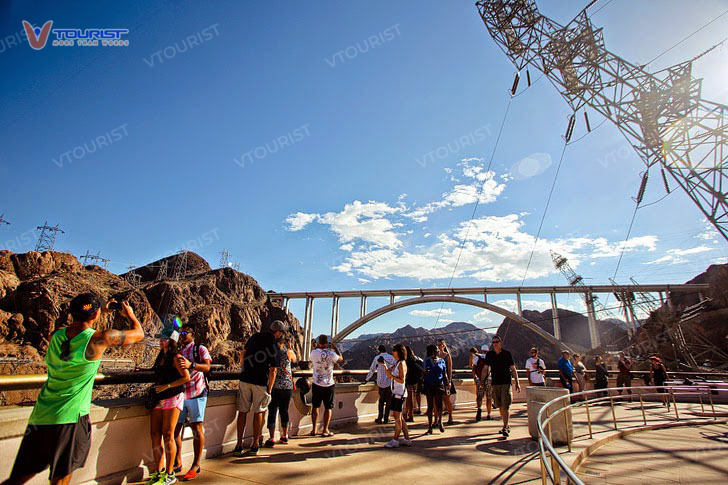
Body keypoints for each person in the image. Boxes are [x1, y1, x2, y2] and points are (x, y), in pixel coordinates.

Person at [4, 293, 144, 485]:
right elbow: (138, 333)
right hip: (70, 417)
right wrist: (129, 314)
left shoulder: (57, 336)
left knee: (18, 478)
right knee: (60, 480)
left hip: (42, 415)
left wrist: (98, 310)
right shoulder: (99, 339)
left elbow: (80, 324)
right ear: (95, 315)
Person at [146, 318, 190, 485]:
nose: (161, 342)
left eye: (164, 339)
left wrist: (167, 386)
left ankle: (170, 473)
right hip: (159, 397)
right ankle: (159, 470)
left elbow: (185, 377)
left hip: (173, 397)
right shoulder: (161, 357)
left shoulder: (176, 357)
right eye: (160, 339)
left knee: (168, 434)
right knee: (155, 433)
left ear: (171, 341)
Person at [234, 320, 285, 456]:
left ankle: (238, 444)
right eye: (282, 332)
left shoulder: (255, 336)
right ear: (278, 332)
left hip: (245, 379)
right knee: (259, 413)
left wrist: (243, 368)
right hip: (260, 382)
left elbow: (243, 353)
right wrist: (269, 389)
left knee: (242, 412)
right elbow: (273, 370)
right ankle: (255, 444)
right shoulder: (275, 346)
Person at [173, 323, 212, 481]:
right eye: (180, 332)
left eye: (185, 333)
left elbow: (207, 368)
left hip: (197, 393)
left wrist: (192, 365)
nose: (182, 335)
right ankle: (177, 461)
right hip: (180, 394)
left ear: (193, 335)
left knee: (197, 428)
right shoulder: (178, 351)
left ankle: (196, 465)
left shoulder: (200, 349)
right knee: (175, 430)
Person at [484, 335, 521, 438]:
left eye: (497, 342)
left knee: (505, 405)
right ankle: (506, 424)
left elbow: (513, 369)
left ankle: (505, 427)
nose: (495, 344)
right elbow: (485, 368)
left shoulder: (507, 354)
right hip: (495, 383)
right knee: (499, 405)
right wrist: (482, 382)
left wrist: (517, 382)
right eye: (493, 342)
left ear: (500, 343)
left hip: (506, 382)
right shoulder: (490, 355)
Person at [265, 334, 297, 447]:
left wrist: (269, 388)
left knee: (272, 411)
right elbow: (295, 359)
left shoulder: (272, 352)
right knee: (284, 411)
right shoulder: (288, 352)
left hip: (275, 386)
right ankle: (285, 436)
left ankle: (272, 437)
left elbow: (271, 369)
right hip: (287, 386)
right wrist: (291, 348)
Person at [309, 334, 343, 437]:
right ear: (327, 342)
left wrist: (316, 347)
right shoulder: (332, 354)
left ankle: (314, 430)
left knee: (315, 406)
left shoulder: (314, 352)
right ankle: (325, 430)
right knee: (328, 407)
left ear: (319, 342)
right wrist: (335, 347)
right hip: (329, 384)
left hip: (316, 383)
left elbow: (312, 357)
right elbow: (341, 359)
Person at [382, 344, 412, 448]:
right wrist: (385, 367)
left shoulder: (401, 364)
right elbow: (389, 374)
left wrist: (392, 376)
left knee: (397, 417)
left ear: (399, 352)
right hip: (396, 393)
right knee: (400, 417)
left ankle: (395, 440)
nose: (393, 352)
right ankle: (407, 439)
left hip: (400, 394)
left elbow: (402, 380)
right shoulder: (397, 363)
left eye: (394, 350)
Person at [365, 345, 396, 424]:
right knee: (389, 402)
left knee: (381, 401)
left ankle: (379, 418)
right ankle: (386, 418)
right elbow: (396, 368)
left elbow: (372, 369)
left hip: (380, 382)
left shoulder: (377, 358)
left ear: (379, 350)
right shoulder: (391, 358)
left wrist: (367, 379)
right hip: (389, 382)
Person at [423, 344, 447, 434]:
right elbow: (423, 373)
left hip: (439, 385)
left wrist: (447, 383)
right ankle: (430, 427)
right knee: (430, 406)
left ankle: (440, 422)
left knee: (439, 405)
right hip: (429, 385)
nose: (438, 351)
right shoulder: (427, 361)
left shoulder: (442, 361)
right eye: (436, 350)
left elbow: (444, 373)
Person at [436, 339, 456, 425]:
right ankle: (436, 419)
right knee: (436, 400)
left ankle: (450, 416)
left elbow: (449, 370)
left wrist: (449, 381)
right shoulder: (435, 356)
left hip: (445, 380)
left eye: (440, 345)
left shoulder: (447, 356)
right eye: (438, 345)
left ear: (444, 346)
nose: (439, 346)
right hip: (437, 380)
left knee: (447, 400)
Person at [469, 346, 490, 421]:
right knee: (489, 397)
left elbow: (473, 369)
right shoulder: (490, 357)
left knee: (479, 396)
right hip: (488, 379)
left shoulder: (477, 357)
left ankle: (479, 409)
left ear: (481, 350)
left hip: (479, 379)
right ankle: (488, 414)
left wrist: (475, 378)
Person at [404, 345, 424, 422]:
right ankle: (418, 408)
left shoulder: (406, 360)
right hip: (417, 380)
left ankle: (409, 415)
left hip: (409, 380)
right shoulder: (417, 358)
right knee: (417, 394)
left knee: (409, 398)